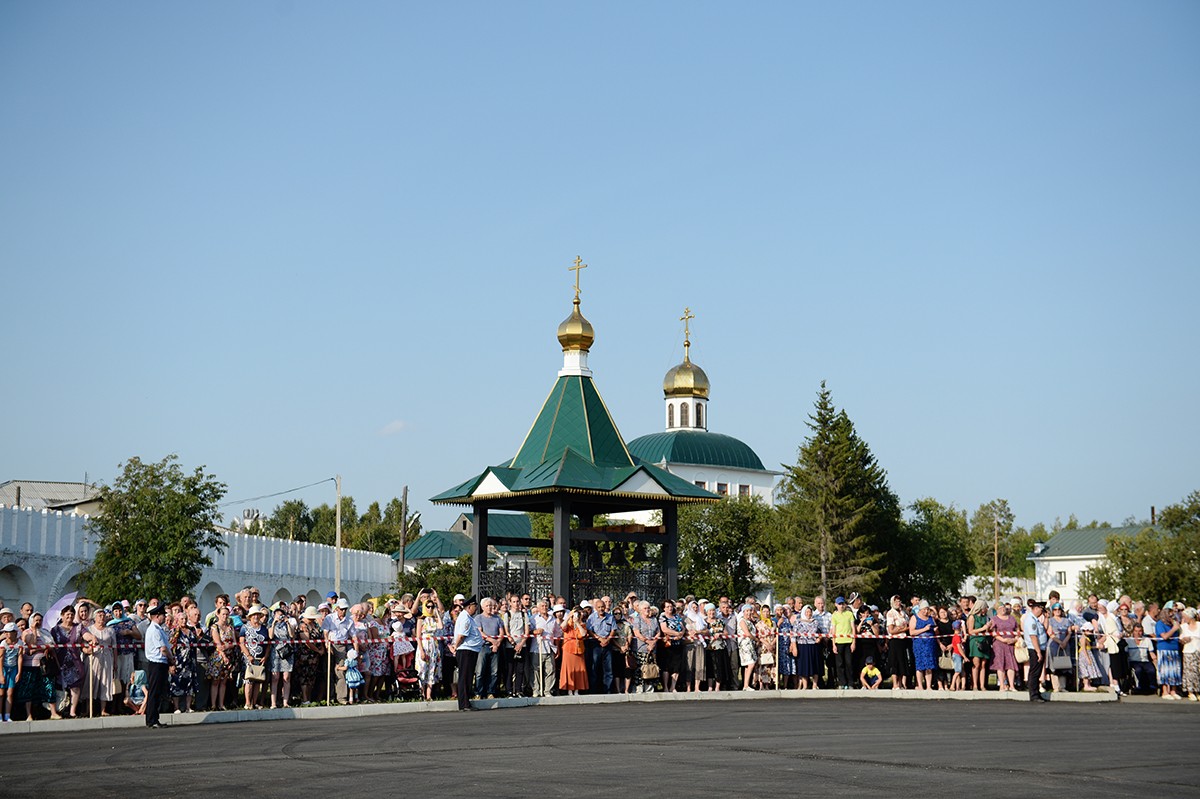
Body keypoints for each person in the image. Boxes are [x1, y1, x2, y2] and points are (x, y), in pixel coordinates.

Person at [82, 605, 116, 716]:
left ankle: (103, 709)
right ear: (95, 617)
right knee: (91, 681)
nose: (102, 617)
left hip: (106, 657)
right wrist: (87, 650)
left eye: (103, 615)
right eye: (99, 615)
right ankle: (88, 709)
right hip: (93, 658)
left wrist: (115, 662)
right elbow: (83, 645)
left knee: (106, 681)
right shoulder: (89, 629)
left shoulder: (110, 630)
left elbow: (114, 647)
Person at [450, 596, 483, 710]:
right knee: (464, 677)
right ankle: (464, 704)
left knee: (468, 677)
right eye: (475, 606)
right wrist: (456, 646)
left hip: (470, 650)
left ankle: (466, 702)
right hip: (466, 650)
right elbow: (462, 635)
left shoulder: (468, 617)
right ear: (469, 607)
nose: (476, 608)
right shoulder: (465, 618)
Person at [143, 604, 173, 729]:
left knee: (158, 692)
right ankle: (152, 719)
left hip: (160, 663)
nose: (164, 617)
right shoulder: (154, 630)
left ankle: (154, 718)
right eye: (163, 615)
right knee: (154, 692)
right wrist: (171, 659)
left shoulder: (158, 629)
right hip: (157, 663)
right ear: (157, 616)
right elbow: (163, 649)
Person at [52, 606, 85, 718]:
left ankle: (72, 711)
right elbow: (50, 642)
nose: (70, 616)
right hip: (60, 662)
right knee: (60, 687)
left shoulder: (78, 627)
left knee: (75, 686)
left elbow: (86, 635)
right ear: (62, 616)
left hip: (74, 662)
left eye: (72, 614)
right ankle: (61, 709)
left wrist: (92, 638)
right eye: (67, 614)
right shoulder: (55, 630)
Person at [239, 605, 270, 710]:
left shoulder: (264, 628)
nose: (256, 617)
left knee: (257, 680)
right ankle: (247, 702)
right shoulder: (245, 627)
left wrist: (265, 656)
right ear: (250, 616)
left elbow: (268, 644)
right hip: (249, 657)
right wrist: (248, 655)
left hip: (260, 658)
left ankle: (254, 702)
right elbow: (241, 642)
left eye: (257, 615)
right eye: (254, 615)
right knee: (249, 680)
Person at [207, 605, 238, 711]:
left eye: (227, 614)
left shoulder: (230, 627)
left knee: (224, 681)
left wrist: (228, 646)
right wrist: (223, 655)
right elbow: (218, 643)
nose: (225, 616)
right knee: (216, 681)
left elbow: (234, 642)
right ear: (218, 615)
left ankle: (221, 704)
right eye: (223, 614)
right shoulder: (215, 627)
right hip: (218, 657)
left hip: (229, 656)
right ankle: (213, 704)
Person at [267, 604, 296, 709]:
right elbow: (270, 636)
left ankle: (285, 702)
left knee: (286, 677)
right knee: (275, 677)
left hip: (286, 652)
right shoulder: (271, 623)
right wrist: (274, 623)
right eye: (278, 614)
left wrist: (288, 623)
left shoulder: (287, 623)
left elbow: (292, 635)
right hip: (276, 652)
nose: (280, 616)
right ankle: (273, 703)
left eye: (281, 614)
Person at [415, 599, 442, 701]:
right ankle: (421, 693)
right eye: (428, 606)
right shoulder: (421, 620)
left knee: (432, 669)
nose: (430, 608)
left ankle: (428, 695)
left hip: (433, 645)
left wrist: (437, 613)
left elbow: (440, 626)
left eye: (432, 606)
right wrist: (421, 650)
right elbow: (418, 636)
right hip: (424, 644)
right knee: (422, 669)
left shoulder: (434, 619)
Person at [989, 602, 1019, 692]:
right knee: (1000, 665)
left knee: (1011, 664)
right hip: (999, 644)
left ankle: (1012, 686)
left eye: (1004, 607)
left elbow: (1017, 630)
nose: (1003, 609)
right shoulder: (994, 619)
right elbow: (993, 632)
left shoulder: (1012, 618)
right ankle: (1002, 685)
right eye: (1000, 608)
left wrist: (1014, 639)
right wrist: (1003, 640)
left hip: (1011, 644)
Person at [532, 600, 560, 697]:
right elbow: (529, 630)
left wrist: (557, 648)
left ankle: (547, 691)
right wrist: (535, 631)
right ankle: (536, 690)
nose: (544, 608)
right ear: (538, 608)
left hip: (550, 647)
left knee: (550, 670)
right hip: (537, 648)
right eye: (542, 606)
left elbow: (557, 634)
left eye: (546, 606)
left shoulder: (552, 619)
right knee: (536, 670)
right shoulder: (534, 618)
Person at [1023, 600, 1049, 702]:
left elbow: (1044, 630)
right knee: (1034, 672)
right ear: (1036, 608)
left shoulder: (1036, 620)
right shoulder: (1031, 620)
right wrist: (1038, 652)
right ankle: (1033, 694)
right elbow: (1033, 637)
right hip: (1035, 649)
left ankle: (1036, 692)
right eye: (1041, 610)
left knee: (1037, 672)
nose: (1042, 612)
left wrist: (1046, 618)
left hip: (1040, 648)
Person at [560, 606, 589, 695]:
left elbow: (583, 634)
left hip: (579, 649)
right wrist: (569, 616)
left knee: (579, 669)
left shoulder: (582, 624)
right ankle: (569, 689)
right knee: (569, 669)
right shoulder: (568, 625)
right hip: (568, 649)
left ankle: (577, 689)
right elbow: (562, 626)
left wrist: (577, 623)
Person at [1155, 603, 1183, 699]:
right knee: (1165, 670)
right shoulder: (1160, 624)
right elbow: (1164, 636)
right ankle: (1165, 691)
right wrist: (1174, 629)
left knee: (1175, 670)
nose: (1172, 616)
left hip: (1174, 649)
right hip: (1164, 649)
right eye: (1170, 614)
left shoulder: (1174, 623)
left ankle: (1173, 691)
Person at [909, 600, 938, 690]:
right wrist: (924, 629)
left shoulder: (930, 618)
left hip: (930, 645)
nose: (926, 611)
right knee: (920, 665)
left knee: (929, 665)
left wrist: (935, 629)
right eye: (924, 609)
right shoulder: (914, 618)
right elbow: (912, 632)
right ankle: (920, 685)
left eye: (927, 609)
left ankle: (928, 686)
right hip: (919, 644)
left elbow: (935, 629)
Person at [830, 597, 855, 690]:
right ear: (836, 605)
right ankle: (842, 682)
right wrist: (833, 644)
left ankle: (850, 682)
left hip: (848, 642)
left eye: (843, 604)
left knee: (849, 663)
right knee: (839, 664)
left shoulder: (849, 614)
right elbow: (833, 630)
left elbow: (853, 628)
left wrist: (854, 642)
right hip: (838, 642)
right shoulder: (834, 615)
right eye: (839, 604)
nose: (841, 606)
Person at [966, 599, 991, 691]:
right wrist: (982, 628)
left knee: (983, 664)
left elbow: (987, 629)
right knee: (976, 664)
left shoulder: (986, 617)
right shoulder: (972, 617)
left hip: (984, 640)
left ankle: (982, 685)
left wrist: (988, 627)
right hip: (975, 640)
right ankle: (975, 685)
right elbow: (970, 631)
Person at [0, 622, 21, 722]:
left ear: (15, 633)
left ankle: (7, 715)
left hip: (13, 668)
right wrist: (1, 675)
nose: (7, 634)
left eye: (10, 632)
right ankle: (0, 715)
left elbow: (20, 657)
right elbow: (0, 658)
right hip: (3, 668)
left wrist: (19, 672)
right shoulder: (3, 643)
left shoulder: (19, 643)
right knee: (1, 693)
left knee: (10, 693)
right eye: (6, 632)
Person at [737, 603, 760, 691]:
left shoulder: (750, 621)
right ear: (743, 612)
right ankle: (746, 685)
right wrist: (756, 639)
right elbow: (747, 633)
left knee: (749, 665)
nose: (749, 613)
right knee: (751, 663)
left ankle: (746, 685)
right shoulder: (742, 621)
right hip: (745, 644)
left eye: (750, 611)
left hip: (751, 644)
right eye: (747, 611)